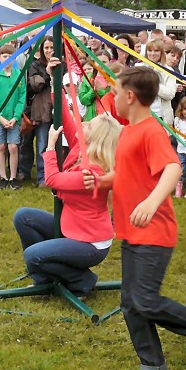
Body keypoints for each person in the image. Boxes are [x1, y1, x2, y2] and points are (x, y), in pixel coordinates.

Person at [84, 66, 186, 370]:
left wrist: (151, 202)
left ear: (130, 96)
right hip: (133, 231)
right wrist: (107, 179)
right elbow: (132, 174)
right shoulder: (129, 130)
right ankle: (153, 369)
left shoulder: (151, 130)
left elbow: (173, 167)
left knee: (144, 300)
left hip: (154, 231)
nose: (114, 98)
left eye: (117, 92)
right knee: (131, 303)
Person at [12, 115, 122, 296]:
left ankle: (83, 280)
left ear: (95, 138)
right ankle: (44, 278)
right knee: (23, 217)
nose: (83, 124)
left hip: (90, 244)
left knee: (32, 255)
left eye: (89, 124)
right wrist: (56, 90)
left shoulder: (92, 172)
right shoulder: (83, 151)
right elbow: (69, 121)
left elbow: (52, 179)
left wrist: (50, 145)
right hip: (72, 227)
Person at [0, 44, 26, 190]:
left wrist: (16, 117)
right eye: (5, 56)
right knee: (1, 146)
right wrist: (1, 118)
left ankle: (13, 177)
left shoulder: (19, 75)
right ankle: (3, 177)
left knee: (13, 146)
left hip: (14, 118)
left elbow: (22, 98)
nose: (8, 59)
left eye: (10, 57)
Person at [25, 36, 60, 187]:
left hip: (60, 107)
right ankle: (42, 177)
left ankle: (59, 174)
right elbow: (35, 85)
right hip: (43, 110)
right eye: (46, 48)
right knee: (42, 144)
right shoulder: (35, 65)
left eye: (52, 47)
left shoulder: (62, 64)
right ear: (41, 49)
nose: (49, 51)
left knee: (61, 144)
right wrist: (47, 72)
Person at [141, 39, 178, 128]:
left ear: (161, 52)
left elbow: (170, 94)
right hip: (142, 115)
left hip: (162, 117)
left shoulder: (168, 70)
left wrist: (152, 84)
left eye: (156, 51)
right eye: (150, 50)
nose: (152, 54)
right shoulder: (139, 68)